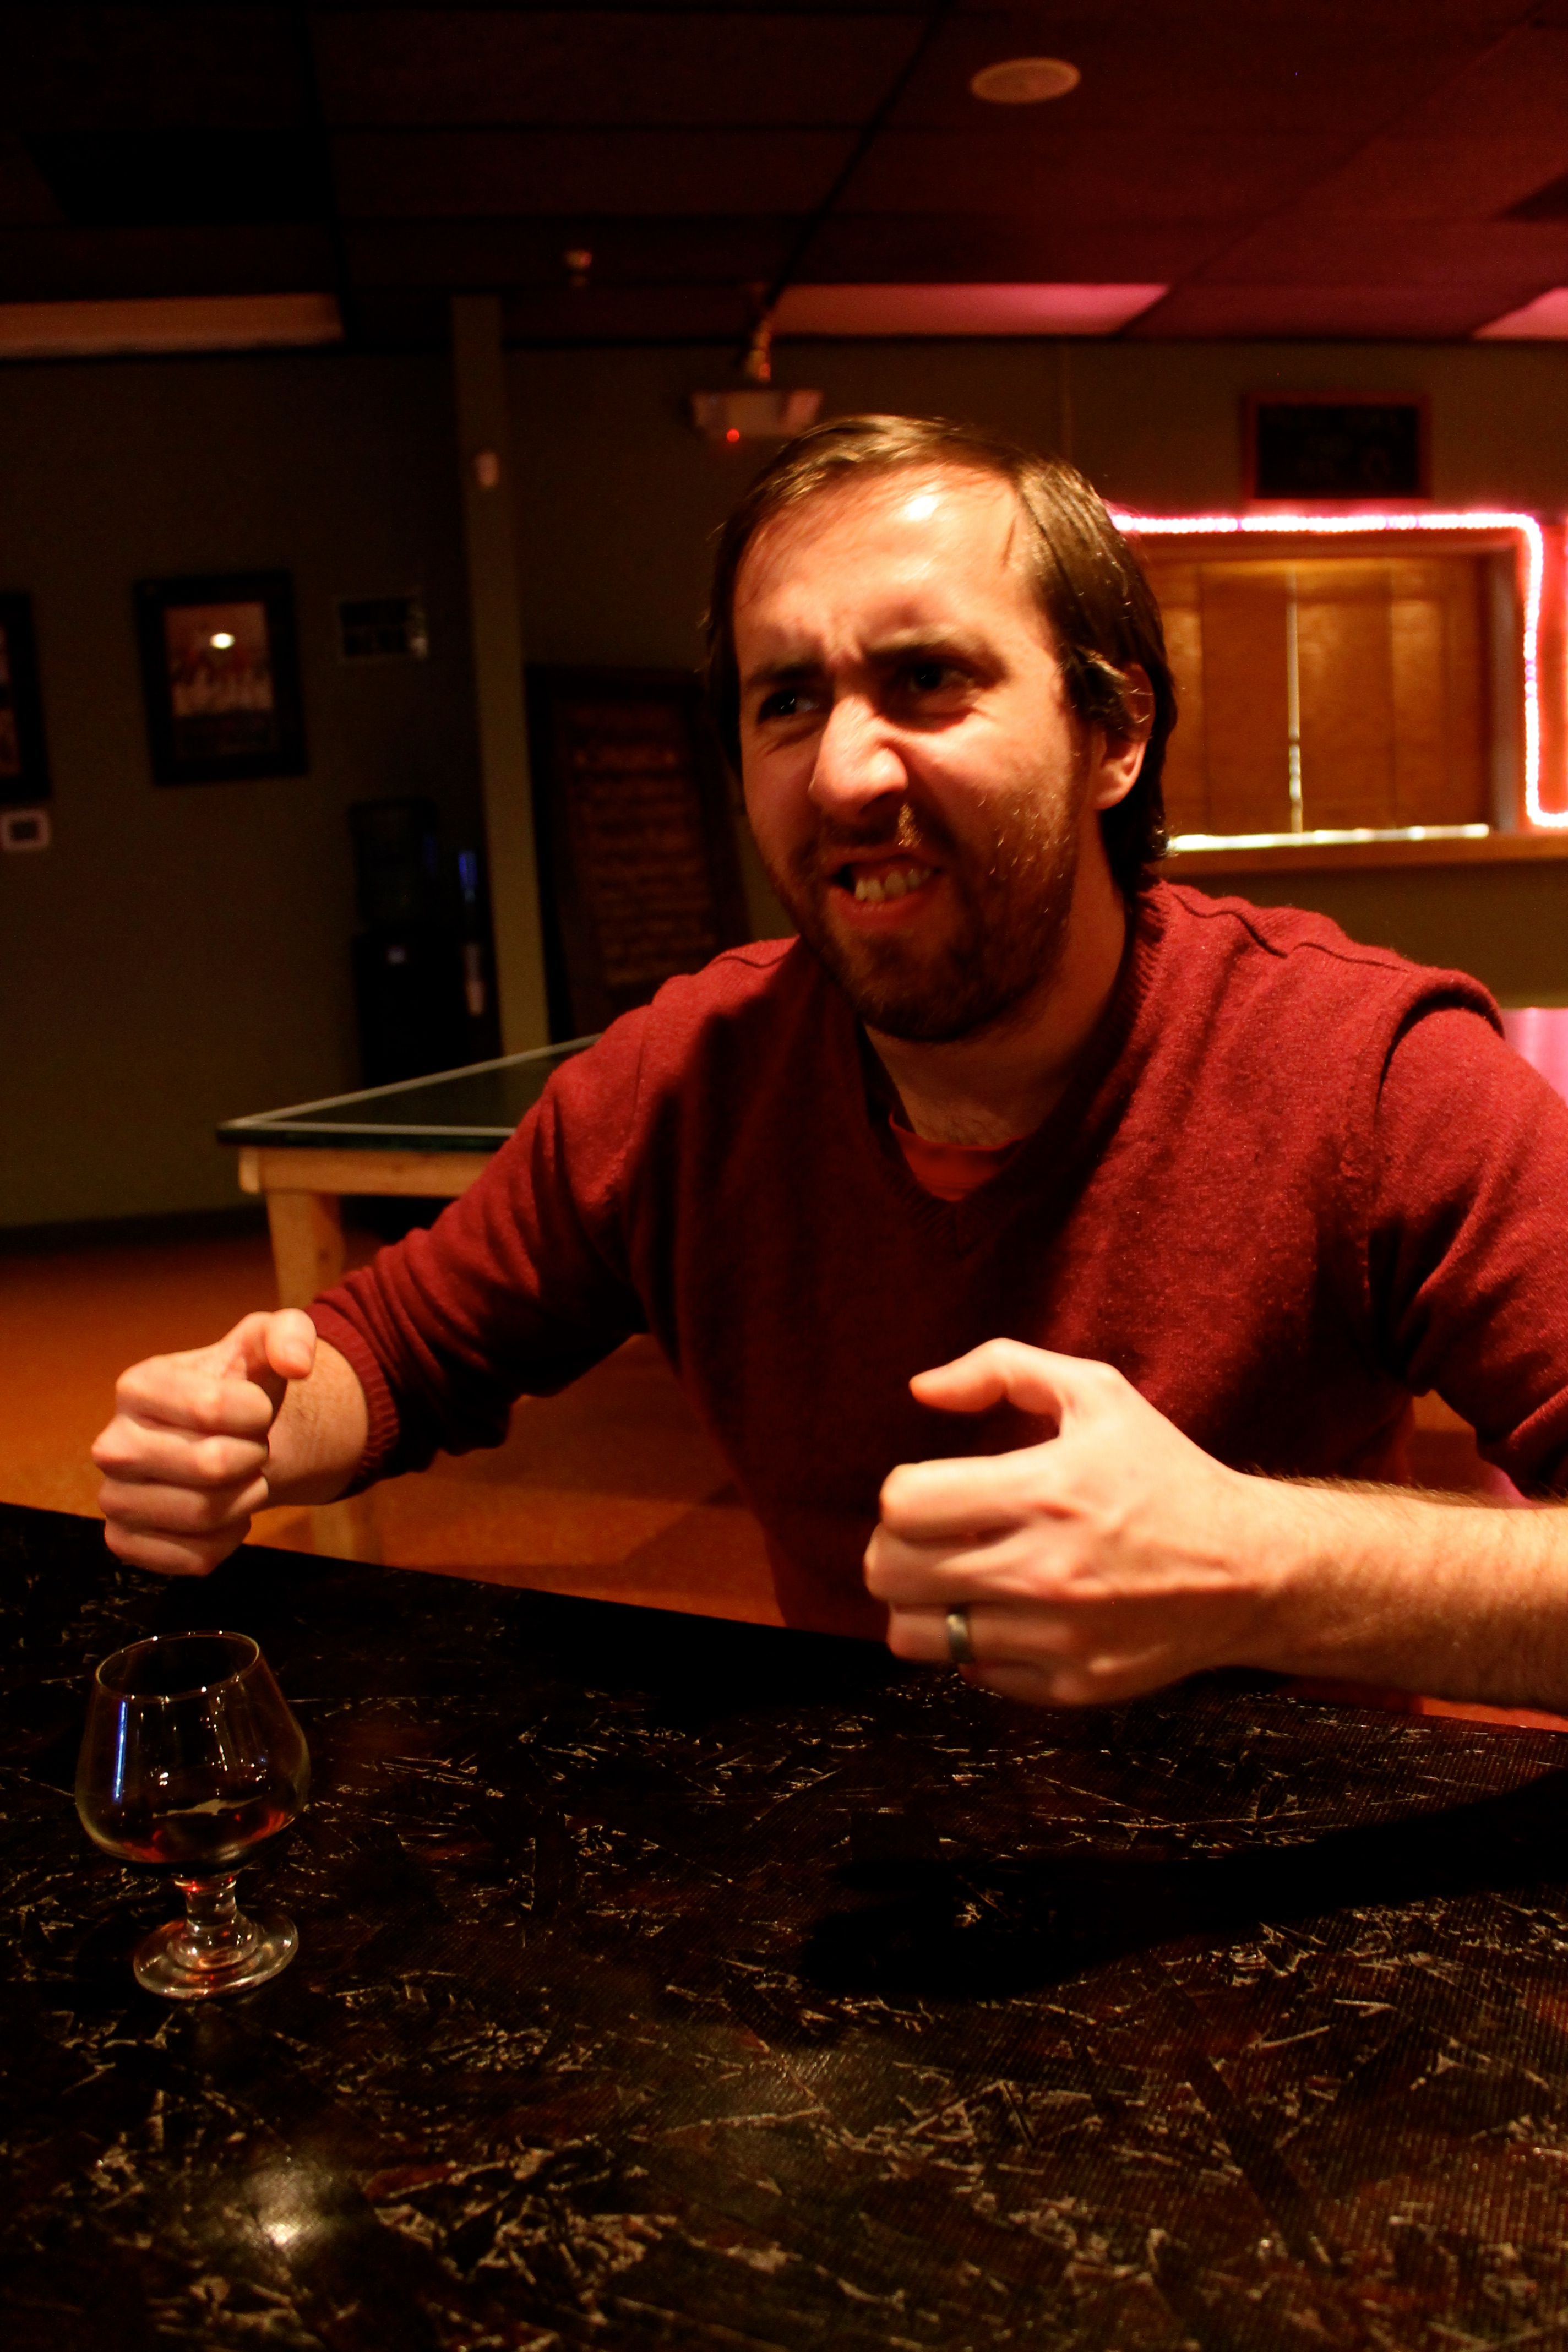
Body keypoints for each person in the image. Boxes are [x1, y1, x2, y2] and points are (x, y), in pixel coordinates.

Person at [94, 414, 1568, 1712]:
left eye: (927, 678)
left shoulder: (1374, 1077)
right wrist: (247, 1428)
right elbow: (396, 1353)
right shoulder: (682, 1084)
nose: (848, 774)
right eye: (787, 700)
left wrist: (1260, 1565)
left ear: (1113, 734)